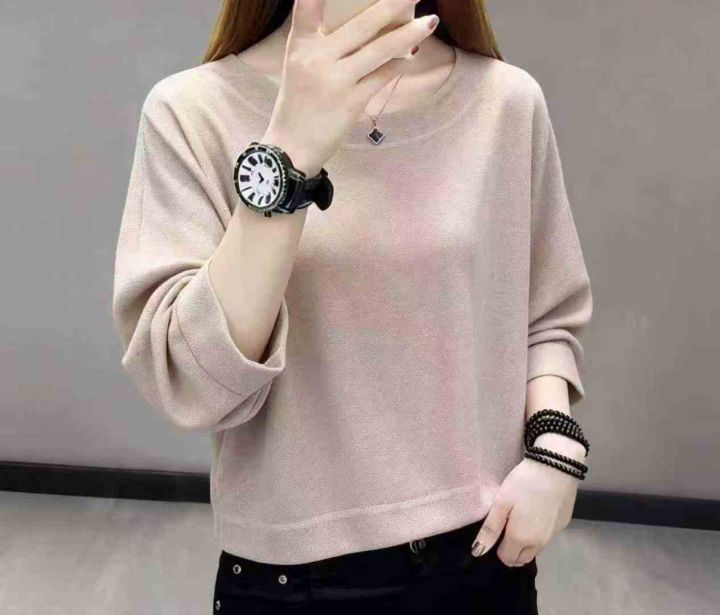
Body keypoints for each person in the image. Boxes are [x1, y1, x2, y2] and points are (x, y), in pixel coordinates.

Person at [112, 0, 594, 612]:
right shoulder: (191, 110)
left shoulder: (505, 101)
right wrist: (289, 151)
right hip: (292, 578)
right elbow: (191, 384)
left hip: (482, 555)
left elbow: (545, 313)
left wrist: (556, 453)